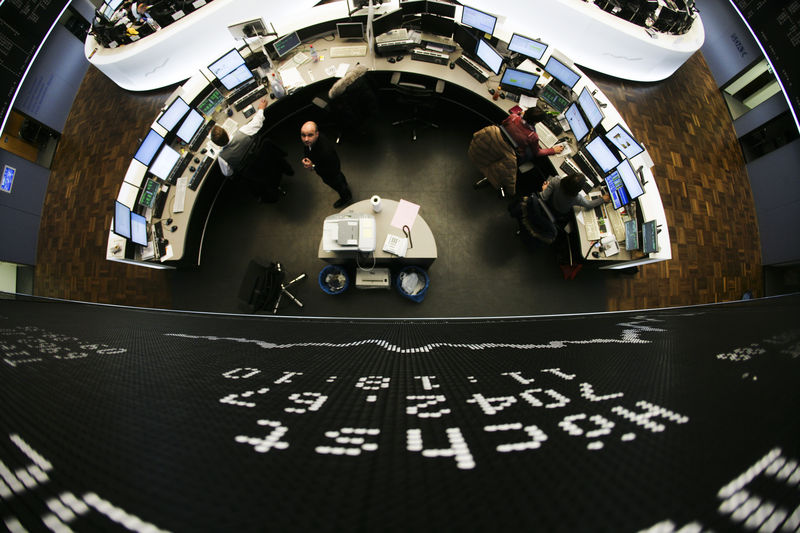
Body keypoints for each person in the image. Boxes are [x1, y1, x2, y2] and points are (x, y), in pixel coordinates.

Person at [210, 97, 293, 203]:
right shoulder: (243, 131)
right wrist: (261, 108)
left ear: (216, 144)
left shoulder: (222, 159)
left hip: (256, 176)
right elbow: (258, 121)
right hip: (269, 161)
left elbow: (229, 174)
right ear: (226, 132)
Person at [300, 121, 352, 208]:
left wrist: (312, 166)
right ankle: (344, 185)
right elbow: (307, 149)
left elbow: (331, 170)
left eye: (310, 135)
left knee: (337, 184)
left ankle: (346, 197)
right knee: (340, 179)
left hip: (331, 173)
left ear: (317, 134)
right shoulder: (312, 141)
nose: (306, 139)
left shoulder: (325, 151)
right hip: (330, 166)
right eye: (303, 135)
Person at [541, 173, 610, 220]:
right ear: (579, 189)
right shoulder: (577, 198)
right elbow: (589, 204)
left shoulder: (556, 180)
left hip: (548, 203)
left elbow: (543, 196)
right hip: (559, 213)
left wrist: (545, 188)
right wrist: (602, 199)